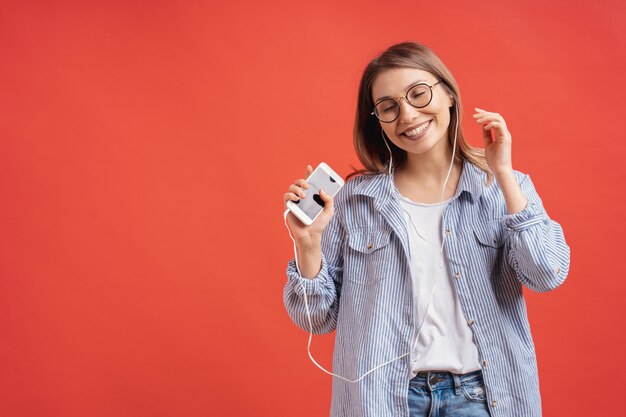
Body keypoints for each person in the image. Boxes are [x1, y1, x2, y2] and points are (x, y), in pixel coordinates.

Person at [281, 42, 570, 417]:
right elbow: (314, 319)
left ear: (448, 94)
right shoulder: (354, 201)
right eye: (389, 107)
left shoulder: (503, 187)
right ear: (378, 120)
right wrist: (308, 244)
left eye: (418, 94)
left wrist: (502, 175)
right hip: (383, 400)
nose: (408, 114)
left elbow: (547, 274)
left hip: (482, 398)